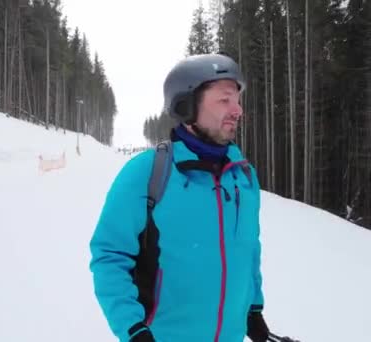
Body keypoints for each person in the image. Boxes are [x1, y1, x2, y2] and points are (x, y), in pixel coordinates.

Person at [89, 54, 273, 342]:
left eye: (238, 100)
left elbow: (249, 251)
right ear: (186, 106)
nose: (238, 110)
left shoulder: (244, 177)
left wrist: (253, 309)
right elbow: (109, 256)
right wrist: (133, 330)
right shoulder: (147, 172)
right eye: (224, 100)